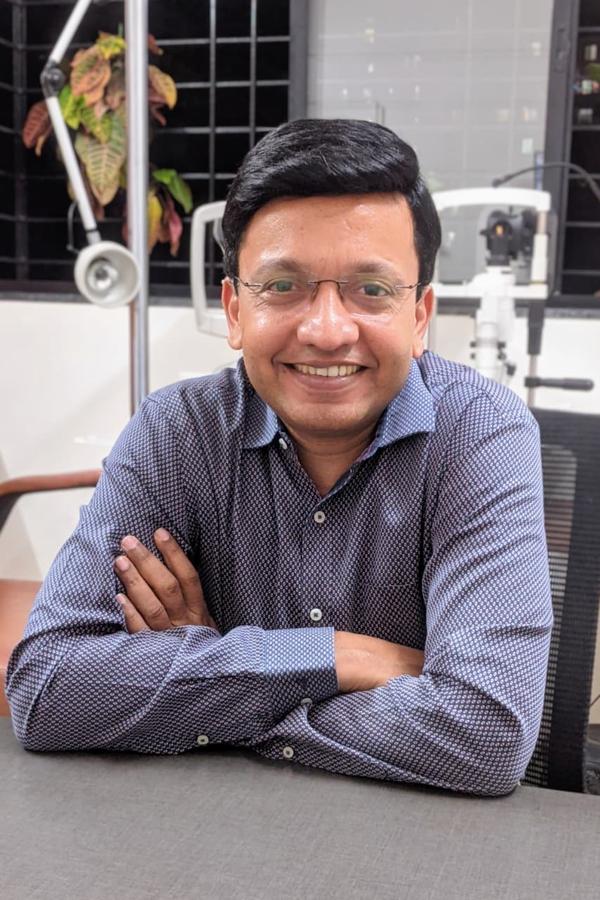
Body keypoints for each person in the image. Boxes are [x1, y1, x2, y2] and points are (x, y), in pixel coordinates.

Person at [6, 119, 553, 796]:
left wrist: (210, 680)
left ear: (419, 317)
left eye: (371, 290)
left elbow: (485, 733)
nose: (326, 330)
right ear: (235, 309)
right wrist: (337, 656)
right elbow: (49, 688)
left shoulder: (480, 433)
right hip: (216, 826)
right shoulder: (177, 433)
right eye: (283, 286)